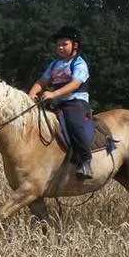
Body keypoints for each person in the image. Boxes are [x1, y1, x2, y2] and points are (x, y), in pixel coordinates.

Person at [28, 25, 93, 179]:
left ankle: (85, 161)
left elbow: (75, 84)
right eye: (58, 45)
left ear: (75, 45)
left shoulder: (79, 63)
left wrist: (54, 93)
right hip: (56, 101)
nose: (60, 47)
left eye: (65, 44)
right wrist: (31, 94)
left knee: (73, 124)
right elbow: (42, 81)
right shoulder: (55, 64)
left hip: (75, 101)